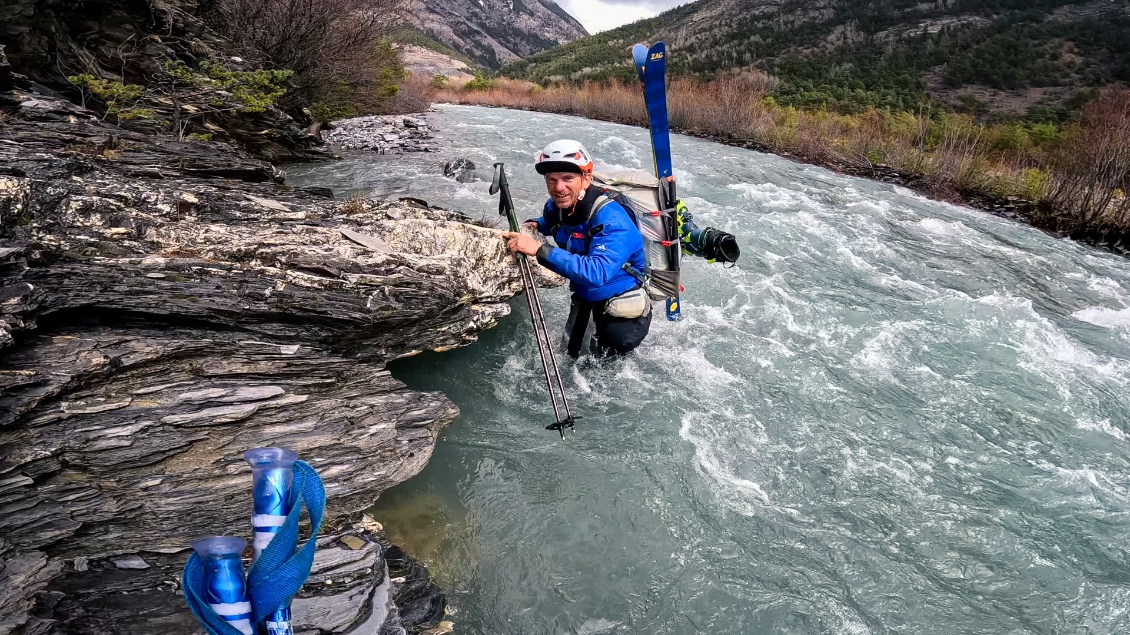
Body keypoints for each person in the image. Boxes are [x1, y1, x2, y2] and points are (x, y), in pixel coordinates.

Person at [502, 139, 652, 358]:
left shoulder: (614, 220)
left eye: (568, 178)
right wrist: (536, 224)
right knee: (572, 356)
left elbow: (596, 272)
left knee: (608, 364)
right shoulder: (557, 206)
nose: (558, 187)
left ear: (586, 179)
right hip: (585, 296)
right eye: (551, 180)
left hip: (620, 307)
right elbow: (556, 224)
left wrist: (538, 249)